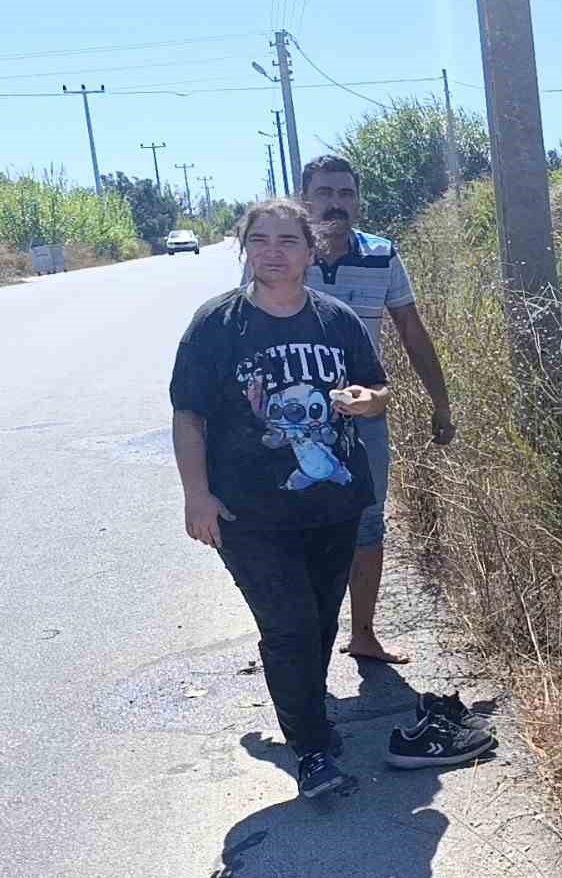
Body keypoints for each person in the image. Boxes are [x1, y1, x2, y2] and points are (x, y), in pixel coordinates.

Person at [171, 199, 389, 798]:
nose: (273, 251)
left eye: (288, 240)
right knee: (288, 625)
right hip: (248, 511)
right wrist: (197, 496)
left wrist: (364, 401)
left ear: (310, 251)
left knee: (320, 622)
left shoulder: (336, 319)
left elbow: (377, 390)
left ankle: (305, 711)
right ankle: (313, 750)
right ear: (245, 249)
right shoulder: (216, 324)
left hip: (332, 504)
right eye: (260, 240)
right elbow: (188, 415)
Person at [294, 154, 455, 665]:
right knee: (298, 524)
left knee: (367, 522)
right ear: (305, 199)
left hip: (365, 416)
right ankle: (304, 640)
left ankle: (363, 633)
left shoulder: (382, 256)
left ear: (358, 202)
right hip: (295, 421)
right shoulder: (286, 254)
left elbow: (410, 329)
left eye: (345, 193)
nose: (335, 204)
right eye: (324, 193)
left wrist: (440, 401)